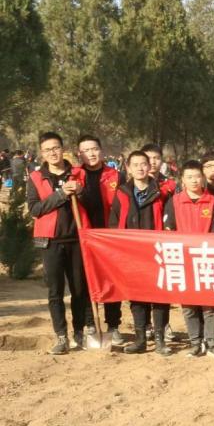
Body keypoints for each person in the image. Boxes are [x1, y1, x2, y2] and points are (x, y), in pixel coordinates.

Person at [26, 132, 94, 354]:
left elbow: (92, 204)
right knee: (55, 291)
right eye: (47, 150)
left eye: (56, 148)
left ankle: (79, 332)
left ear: (63, 149)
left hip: (77, 239)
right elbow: (35, 209)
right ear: (42, 153)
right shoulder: (36, 177)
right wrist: (60, 195)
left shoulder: (79, 173)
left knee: (79, 289)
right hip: (50, 241)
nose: (53, 153)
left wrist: (81, 192)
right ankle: (61, 336)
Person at [108, 150, 171, 356]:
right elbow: (114, 222)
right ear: (128, 168)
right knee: (137, 296)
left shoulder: (161, 192)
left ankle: (160, 339)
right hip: (131, 254)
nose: (140, 168)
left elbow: (169, 220)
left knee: (160, 295)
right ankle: (140, 339)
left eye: (143, 164)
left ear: (149, 166)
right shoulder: (122, 193)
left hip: (157, 252)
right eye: (135, 164)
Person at [163, 160, 214, 359]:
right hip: (183, 261)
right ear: (182, 179)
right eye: (189, 177)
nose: (194, 180)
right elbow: (168, 230)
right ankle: (195, 343)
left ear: (203, 178)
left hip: (206, 259)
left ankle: (213, 343)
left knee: (209, 306)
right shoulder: (174, 202)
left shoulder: (212, 201)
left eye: (197, 176)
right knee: (188, 306)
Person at [74, 134, 124, 344]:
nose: (91, 154)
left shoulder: (115, 175)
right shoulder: (74, 176)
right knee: (86, 281)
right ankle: (90, 324)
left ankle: (113, 325)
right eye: (86, 150)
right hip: (84, 235)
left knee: (112, 281)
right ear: (79, 154)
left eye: (94, 149)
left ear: (101, 150)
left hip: (110, 236)